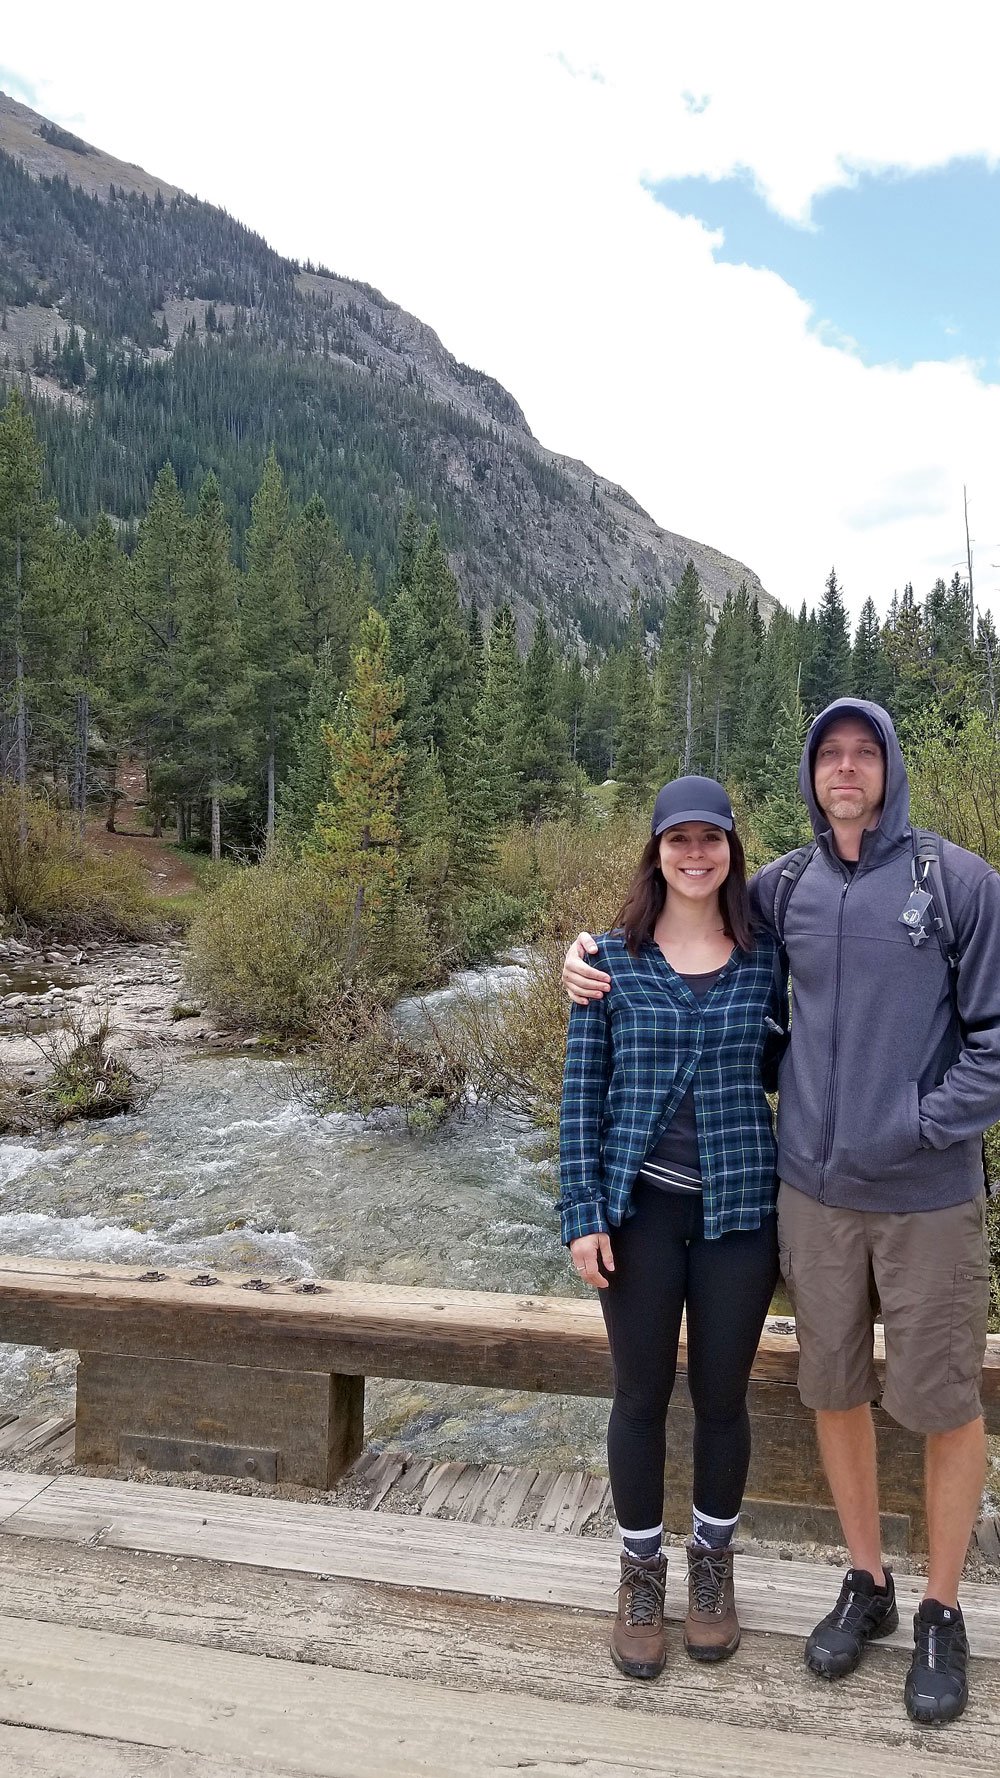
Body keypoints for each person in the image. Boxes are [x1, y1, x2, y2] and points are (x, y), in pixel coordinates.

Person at [562, 698, 1000, 1727]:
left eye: (864, 752)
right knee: (833, 1387)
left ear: (890, 766)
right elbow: (679, 947)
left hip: (917, 1193)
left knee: (940, 1400)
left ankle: (939, 1606)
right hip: (803, 1195)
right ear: (809, 775)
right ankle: (863, 1582)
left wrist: (915, 1121)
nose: (846, 769)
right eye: (827, 754)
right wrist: (576, 959)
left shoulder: (958, 881)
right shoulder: (783, 891)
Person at [560, 774, 783, 1680]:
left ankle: (713, 1568)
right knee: (642, 1396)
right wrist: (582, 1216)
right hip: (639, 1214)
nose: (696, 854)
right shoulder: (607, 959)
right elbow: (580, 1102)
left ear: (733, 850)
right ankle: (641, 1572)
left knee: (723, 1399)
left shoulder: (767, 955)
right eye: (678, 839)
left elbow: (799, 1057)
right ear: (656, 852)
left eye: (712, 839)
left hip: (739, 1214)